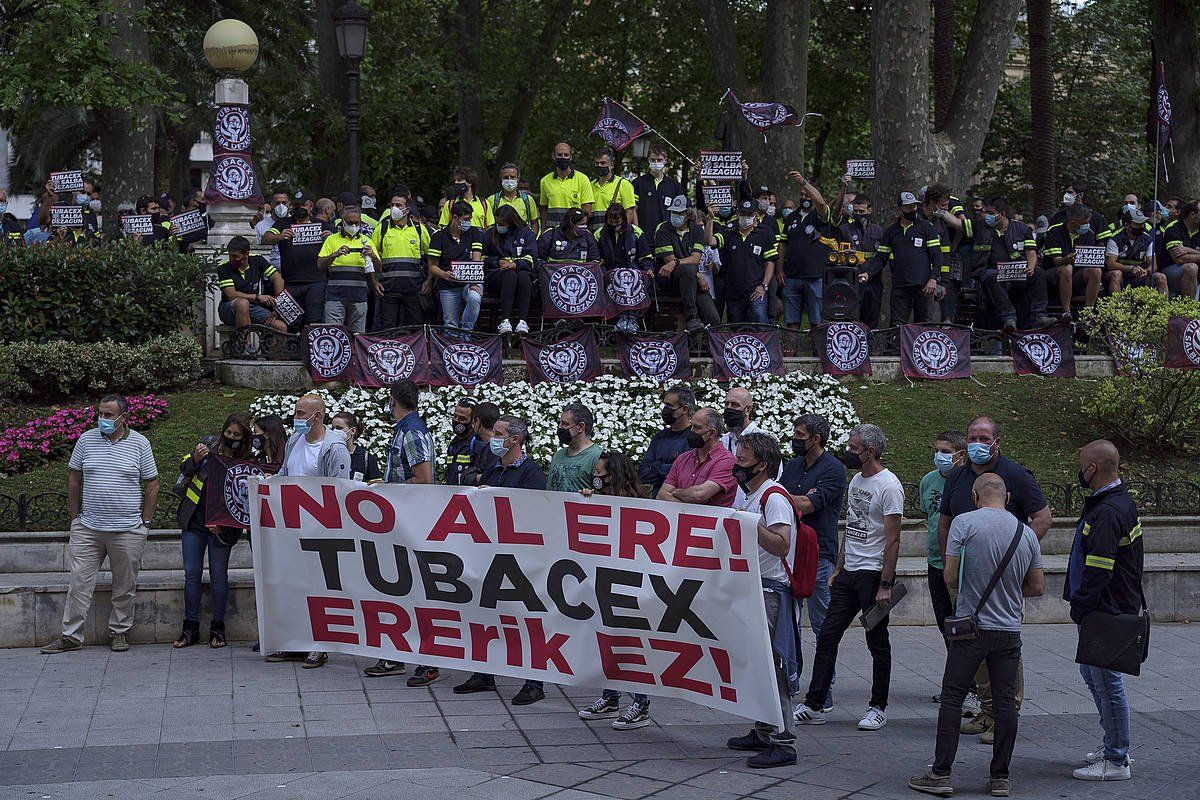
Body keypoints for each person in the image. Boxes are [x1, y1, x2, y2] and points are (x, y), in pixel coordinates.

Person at [908, 473, 1044, 799]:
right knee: (1006, 703)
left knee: (953, 697)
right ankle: (1000, 778)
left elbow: (951, 577)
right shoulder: (1025, 533)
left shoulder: (964, 524)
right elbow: (1037, 587)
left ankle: (941, 773)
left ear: (974, 495)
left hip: (971, 628)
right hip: (1009, 631)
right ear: (1008, 497)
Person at [938, 416, 1051, 743]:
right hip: (968, 583)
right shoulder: (957, 477)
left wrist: (1021, 556)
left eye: (984, 438)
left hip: (1003, 582)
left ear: (996, 442)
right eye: (972, 436)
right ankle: (987, 711)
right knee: (974, 648)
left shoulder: (1015, 475)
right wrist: (951, 566)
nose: (977, 443)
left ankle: (1005, 716)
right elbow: (945, 523)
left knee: (1005, 650)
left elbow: (1042, 517)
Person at [793, 423, 902, 732]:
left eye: (855, 448)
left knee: (877, 643)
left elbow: (893, 539)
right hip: (849, 573)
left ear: (870, 451)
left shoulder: (889, 486)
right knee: (827, 635)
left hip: (873, 575)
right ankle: (815, 704)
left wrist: (886, 583)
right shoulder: (856, 480)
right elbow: (850, 526)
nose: (849, 452)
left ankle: (877, 707)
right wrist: (840, 567)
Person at [40, 395, 160, 655]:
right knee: (79, 583)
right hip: (88, 528)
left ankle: (119, 632)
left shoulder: (140, 443)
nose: (102, 419)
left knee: (125, 585)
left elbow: (152, 484)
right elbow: (74, 479)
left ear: (123, 417)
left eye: (108, 415)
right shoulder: (86, 440)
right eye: (100, 414)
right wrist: (75, 518)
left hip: (127, 529)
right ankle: (71, 636)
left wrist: (145, 523)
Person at [453, 415, 547, 697]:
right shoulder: (494, 471)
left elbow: (532, 514)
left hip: (521, 559)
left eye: (498, 433)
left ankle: (534, 683)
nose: (492, 438)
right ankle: (484, 673)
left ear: (514, 440)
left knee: (523, 619)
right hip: (491, 556)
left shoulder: (532, 474)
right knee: (485, 613)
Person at [1068, 440, 1144, 782]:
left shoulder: (1109, 511)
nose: (1080, 470)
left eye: (1082, 464)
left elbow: (1100, 568)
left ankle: (1116, 759)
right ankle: (1113, 745)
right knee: (1093, 675)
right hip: (1107, 609)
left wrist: (1081, 606)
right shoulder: (1114, 502)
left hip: (1104, 611)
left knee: (1106, 681)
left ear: (1093, 469)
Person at [724, 433, 799, 768]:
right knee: (757, 663)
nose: (736, 467)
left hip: (770, 592)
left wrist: (749, 524)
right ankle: (765, 728)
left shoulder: (774, 497)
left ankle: (784, 740)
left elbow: (781, 545)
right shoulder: (752, 494)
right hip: (754, 588)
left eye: (742, 461)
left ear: (762, 465)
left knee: (773, 666)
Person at [268, 394, 351, 669]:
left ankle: (320, 646)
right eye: (296, 413)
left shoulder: (333, 448)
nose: (297, 419)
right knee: (295, 588)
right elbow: (285, 474)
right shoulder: (294, 440)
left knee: (319, 590)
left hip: (320, 533)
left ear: (318, 415)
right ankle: (297, 642)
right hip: (293, 530)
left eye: (302, 414)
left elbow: (339, 492)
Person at [577, 452, 657, 730]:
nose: (596, 478)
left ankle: (641, 702)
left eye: (601, 474)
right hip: (603, 582)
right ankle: (610, 697)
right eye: (595, 473)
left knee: (630, 644)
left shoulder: (634, 505)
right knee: (606, 641)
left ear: (616, 475)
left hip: (628, 584)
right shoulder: (600, 500)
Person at [364, 379, 436, 682]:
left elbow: (424, 479)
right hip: (401, 523)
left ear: (394, 400)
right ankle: (396, 656)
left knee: (416, 594)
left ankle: (428, 662)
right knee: (398, 592)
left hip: (411, 523)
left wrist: (389, 488)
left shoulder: (411, 432)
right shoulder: (407, 430)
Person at [779, 413, 847, 710]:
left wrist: (784, 497)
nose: (794, 438)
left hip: (819, 555)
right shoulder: (793, 466)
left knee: (822, 625)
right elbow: (781, 496)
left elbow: (806, 504)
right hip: (792, 553)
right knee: (789, 623)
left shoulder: (833, 469)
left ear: (816, 439)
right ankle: (792, 679)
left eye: (799, 434)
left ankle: (824, 688)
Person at [171, 413, 253, 649]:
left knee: (219, 577)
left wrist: (224, 525)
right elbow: (184, 469)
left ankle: (218, 629)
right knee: (191, 575)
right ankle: (190, 628)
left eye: (237, 435)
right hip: (194, 523)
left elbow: (242, 500)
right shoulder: (206, 445)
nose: (231, 438)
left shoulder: (246, 460)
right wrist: (196, 459)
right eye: (228, 433)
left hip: (221, 528)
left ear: (244, 437)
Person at [921, 430, 966, 659]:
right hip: (935, 562)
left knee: (963, 626)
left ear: (961, 455)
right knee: (944, 623)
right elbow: (929, 516)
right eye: (937, 451)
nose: (939, 456)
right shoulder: (928, 480)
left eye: (945, 452)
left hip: (961, 565)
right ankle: (957, 680)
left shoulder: (970, 482)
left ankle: (970, 685)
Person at [980, 199, 1054, 331]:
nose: (986, 216)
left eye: (990, 213)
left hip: (1019, 272)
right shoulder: (981, 227)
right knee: (991, 277)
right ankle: (1008, 318)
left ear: (1002, 213)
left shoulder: (1021, 228)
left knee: (1039, 273)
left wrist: (1031, 266)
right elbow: (958, 223)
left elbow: (1031, 252)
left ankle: (1039, 316)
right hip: (994, 271)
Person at [778, 171, 838, 327]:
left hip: (815, 277)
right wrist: (780, 270)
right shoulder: (791, 217)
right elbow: (783, 245)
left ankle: (816, 351)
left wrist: (804, 182)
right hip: (792, 277)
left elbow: (821, 203)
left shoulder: (820, 215)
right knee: (791, 323)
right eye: (802, 194)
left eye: (808, 194)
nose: (805, 197)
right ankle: (790, 352)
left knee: (816, 322)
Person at [654, 196, 720, 330]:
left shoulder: (696, 230)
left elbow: (696, 259)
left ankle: (703, 348)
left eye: (679, 212)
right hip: (669, 279)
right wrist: (699, 276)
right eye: (673, 212)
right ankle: (692, 317)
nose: (675, 216)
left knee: (714, 318)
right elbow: (669, 261)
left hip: (692, 279)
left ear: (688, 214)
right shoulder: (663, 230)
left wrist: (677, 262)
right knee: (688, 270)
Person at [877, 191, 942, 325]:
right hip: (900, 286)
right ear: (900, 209)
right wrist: (867, 273)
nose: (913, 209)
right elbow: (881, 258)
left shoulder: (926, 227)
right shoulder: (891, 231)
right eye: (908, 207)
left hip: (924, 286)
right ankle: (896, 347)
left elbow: (937, 255)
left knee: (925, 325)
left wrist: (933, 278)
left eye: (914, 206)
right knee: (897, 326)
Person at [263, 203, 330, 328]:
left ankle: (310, 347)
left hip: (316, 282)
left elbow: (339, 243)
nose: (302, 208)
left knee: (314, 320)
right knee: (292, 321)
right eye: (299, 206)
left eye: (305, 205)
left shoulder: (322, 224)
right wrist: (280, 236)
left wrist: (331, 238)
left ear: (311, 207)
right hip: (290, 282)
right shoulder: (283, 223)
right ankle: (294, 347)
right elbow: (266, 238)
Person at [317, 207, 382, 332]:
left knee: (357, 335)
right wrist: (335, 254)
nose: (353, 225)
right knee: (334, 334)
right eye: (350, 222)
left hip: (359, 297)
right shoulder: (332, 239)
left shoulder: (367, 241)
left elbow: (379, 268)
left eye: (356, 223)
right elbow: (320, 265)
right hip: (335, 297)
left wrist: (372, 255)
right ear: (343, 221)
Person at [712, 200, 778, 323]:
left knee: (759, 327)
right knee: (736, 329)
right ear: (737, 215)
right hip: (733, 291)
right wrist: (710, 219)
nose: (746, 217)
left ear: (755, 215)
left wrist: (764, 285)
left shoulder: (763, 235)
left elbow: (770, 262)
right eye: (743, 214)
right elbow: (709, 241)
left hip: (756, 291)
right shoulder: (728, 234)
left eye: (749, 214)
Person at [658, 408, 737, 508]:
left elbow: (699, 495)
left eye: (697, 427)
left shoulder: (727, 461)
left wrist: (674, 492)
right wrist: (689, 506)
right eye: (691, 426)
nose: (691, 431)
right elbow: (661, 495)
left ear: (712, 433)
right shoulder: (682, 459)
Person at [372, 193, 430, 329]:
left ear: (407, 209)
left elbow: (432, 257)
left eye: (398, 205)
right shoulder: (382, 228)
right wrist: (374, 281)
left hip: (414, 290)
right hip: (388, 290)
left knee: (415, 328)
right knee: (388, 328)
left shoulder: (419, 229)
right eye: (392, 205)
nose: (394, 208)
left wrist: (429, 280)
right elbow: (370, 257)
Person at [594, 203, 654, 332]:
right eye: (611, 220)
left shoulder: (636, 231)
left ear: (623, 219)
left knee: (630, 281)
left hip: (633, 272)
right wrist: (603, 271)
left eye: (617, 220)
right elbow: (597, 258)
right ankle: (622, 317)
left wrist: (648, 268)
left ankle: (631, 318)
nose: (614, 223)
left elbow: (645, 255)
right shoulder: (599, 234)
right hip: (610, 273)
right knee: (617, 279)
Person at [427, 200, 485, 332]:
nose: (468, 222)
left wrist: (474, 282)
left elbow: (476, 260)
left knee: (474, 297)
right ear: (455, 217)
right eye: (466, 219)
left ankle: (466, 332)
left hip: (468, 282)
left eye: (470, 219)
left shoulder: (474, 232)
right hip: (448, 285)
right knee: (450, 324)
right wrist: (444, 274)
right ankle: (452, 347)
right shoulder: (439, 237)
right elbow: (432, 266)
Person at [482, 204, 537, 334]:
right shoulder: (490, 233)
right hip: (497, 274)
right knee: (510, 275)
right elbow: (483, 257)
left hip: (520, 271)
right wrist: (497, 261)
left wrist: (516, 264)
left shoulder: (525, 233)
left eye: (502, 223)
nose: (499, 226)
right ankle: (505, 320)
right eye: (497, 223)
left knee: (523, 276)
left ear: (511, 223)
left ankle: (522, 322)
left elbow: (532, 257)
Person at [216, 236, 289, 333]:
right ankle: (246, 346)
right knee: (242, 303)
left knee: (281, 327)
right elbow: (231, 295)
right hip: (229, 309)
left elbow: (277, 278)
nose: (231, 259)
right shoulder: (224, 267)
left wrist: (278, 305)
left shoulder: (257, 260)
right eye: (230, 255)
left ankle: (271, 348)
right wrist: (257, 297)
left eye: (235, 256)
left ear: (246, 254)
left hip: (252, 308)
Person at [1043, 203, 1101, 313]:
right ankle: (1066, 312)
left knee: (1096, 270)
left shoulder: (1089, 233)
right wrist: (1066, 259)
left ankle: (1088, 312)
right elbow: (1056, 261)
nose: (1087, 225)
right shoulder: (1054, 232)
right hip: (1055, 274)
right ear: (1073, 223)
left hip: (1077, 275)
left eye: (1088, 222)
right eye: (1084, 223)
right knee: (1067, 268)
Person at [637, 384, 695, 497]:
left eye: (669, 405)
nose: (665, 409)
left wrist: (656, 466)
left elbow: (686, 475)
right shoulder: (659, 437)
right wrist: (669, 468)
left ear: (684, 409)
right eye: (665, 404)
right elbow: (643, 473)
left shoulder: (694, 438)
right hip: (657, 502)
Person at [840, 193, 885, 329]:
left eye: (862, 211)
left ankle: (870, 348)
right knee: (850, 318)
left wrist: (869, 274)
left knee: (871, 317)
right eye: (856, 211)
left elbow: (881, 258)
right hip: (851, 281)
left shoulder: (878, 231)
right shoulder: (845, 230)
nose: (858, 214)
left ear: (869, 210)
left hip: (873, 281)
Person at [1105, 208, 1165, 295]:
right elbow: (1111, 264)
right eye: (1138, 224)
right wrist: (1130, 269)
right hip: (1120, 276)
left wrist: (1146, 271)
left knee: (1160, 277)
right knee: (1116, 274)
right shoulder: (1115, 239)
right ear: (1127, 225)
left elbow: (1153, 265)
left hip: (1139, 276)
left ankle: (1163, 307)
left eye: (1142, 223)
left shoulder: (1148, 239)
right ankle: (1116, 307)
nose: (1141, 226)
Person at [548, 402, 603, 493]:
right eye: (559, 423)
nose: (559, 427)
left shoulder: (598, 457)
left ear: (580, 427)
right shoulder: (558, 455)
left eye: (565, 424)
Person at [444, 397, 497, 488]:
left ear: (473, 421)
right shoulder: (454, 443)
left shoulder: (480, 443)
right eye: (455, 416)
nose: (456, 421)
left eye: (462, 419)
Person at [633, 144, 684, 237]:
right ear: (648, 160)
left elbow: (680, 211)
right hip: (644, 235)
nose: (656, 162)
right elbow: (633, 210)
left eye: (659, 160)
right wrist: (637, 231)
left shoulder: (674, 185)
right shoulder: (638, 183)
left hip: (668, 236)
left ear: (665, 161)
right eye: (653, 160)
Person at [540, 142, 594, 230]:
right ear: (553, 156)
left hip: (575, 231)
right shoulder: (545, 181)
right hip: (553, 233)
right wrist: (543, 231)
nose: (563, 157)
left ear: (571, 157)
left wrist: (578, 227)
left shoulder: (582, 179)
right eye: (560, 154)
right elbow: (544, 210)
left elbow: (587, 209)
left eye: (566, 155)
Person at [1160, 201, 1200, 299]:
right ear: (1192, 215)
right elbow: (1179, 259)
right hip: (1172, 271)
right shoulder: (1174, 228)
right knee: (1191, 268)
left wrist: (1188, 250)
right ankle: (1188, 309)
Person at [486, 163, 539, 234]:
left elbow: (534, 223)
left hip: (522, 241)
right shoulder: (492, 200)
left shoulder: (528, 200)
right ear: (501, 178)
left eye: (512, 177)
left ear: (518, 178)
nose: (509, 180)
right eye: (506, 177)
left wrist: (532, 239)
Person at [589, 148, 636, 230]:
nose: (599, 166)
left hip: (614, 235)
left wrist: (622, 233)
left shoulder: (623, 184)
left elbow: (630, 212)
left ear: (611, 165)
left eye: (603, 163)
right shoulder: (590, 185)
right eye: (597, 163)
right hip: (593, 234)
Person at [331, 411, 381, 482]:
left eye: (339, 428)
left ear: (353, 431)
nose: (334, 431)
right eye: (333, 428)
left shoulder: (367, 458)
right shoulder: (328, 453)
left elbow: (376, 487)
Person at [255, 190, 291, 269]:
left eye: (284, 203)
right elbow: (257, 250)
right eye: (277, 203)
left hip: (291, 271)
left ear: (289, 204)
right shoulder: (260, 226)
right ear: (272, 205)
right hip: (270, 271)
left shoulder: (295, 223)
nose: (281, 206)